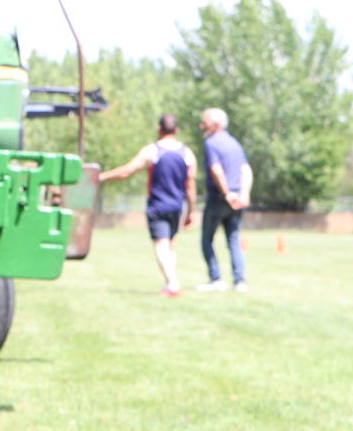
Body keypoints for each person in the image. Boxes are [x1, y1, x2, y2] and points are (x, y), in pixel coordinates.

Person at [98, 114, 196, 296]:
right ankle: (171, 282)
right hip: (177, 207)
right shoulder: (187, 153)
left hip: (157, 206)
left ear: (159, 130)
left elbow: (127, 171)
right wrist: (191, 211)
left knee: (161, 245)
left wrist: (100, 177)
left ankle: (173, 284)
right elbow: (190, 185)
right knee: (169, 246)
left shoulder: (153, 151)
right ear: (177, 131)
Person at [197, 107, 253, 292]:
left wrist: (227, 193)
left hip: (220, 198)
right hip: (237, 198)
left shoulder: (211, 143)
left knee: (206, 239)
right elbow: (246, 170)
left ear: (216, 124)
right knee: (233, 240)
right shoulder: (235, 143)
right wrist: (244, 194)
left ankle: (216, 280)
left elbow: (216, 169)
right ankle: (240, 282)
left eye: (204, 122)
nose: (201, 125)